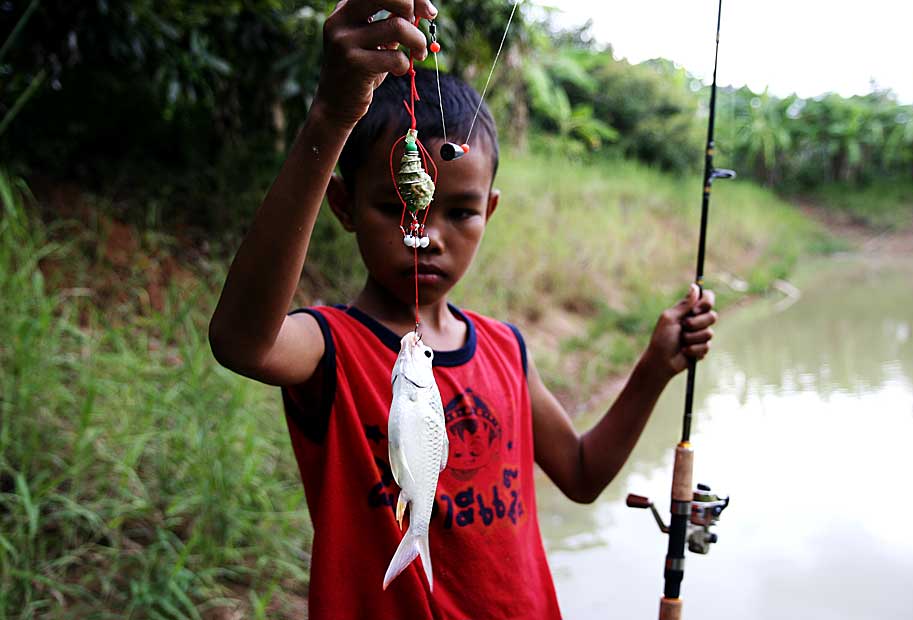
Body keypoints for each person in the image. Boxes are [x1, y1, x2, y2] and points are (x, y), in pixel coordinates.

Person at [208, 0, 717, 617]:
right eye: (400, 208)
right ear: (343, 207)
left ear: (491, 212)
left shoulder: (506, 351)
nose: (428, 236)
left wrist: (654, 368)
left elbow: (582, 475)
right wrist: (330, 116)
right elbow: (242, 342)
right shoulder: (329, 345)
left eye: (461, 213)